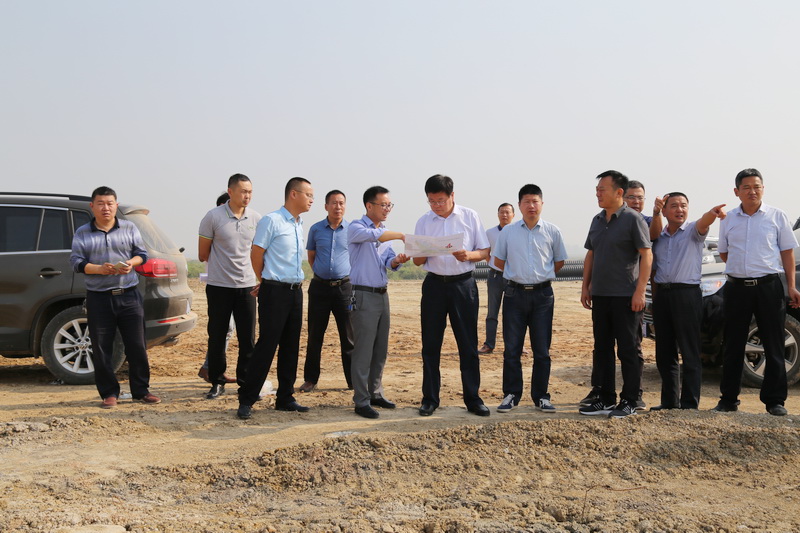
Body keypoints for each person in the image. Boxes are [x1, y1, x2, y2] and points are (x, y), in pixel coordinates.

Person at [713, 168, 800, 416]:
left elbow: (787, 252)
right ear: (737, 191)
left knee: (774, 344)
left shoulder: (777, 216)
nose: (752, 191)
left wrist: (791, 285)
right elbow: (724, 252)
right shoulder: (728, 218)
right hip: (737, 288)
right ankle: (728, 399)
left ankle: (775, 401)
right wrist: (742, 269)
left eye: (757, 186)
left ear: (763, 188)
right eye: (747, 187)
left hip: (768, 287)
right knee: (733, 343)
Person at [70, 186, 160, 408]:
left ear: (116, 206)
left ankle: (141, 390)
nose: (106, 208)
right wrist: (99, 269)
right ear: (92, 206)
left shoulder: (129, 227)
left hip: (129, 295)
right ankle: (109, 393)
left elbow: (142, 254)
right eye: (100, 203)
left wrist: (131, 263)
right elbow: (76, 262)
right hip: (99, 298)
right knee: (101, 348)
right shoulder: (83, 232)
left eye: (110, 203)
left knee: (137, 345)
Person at [236, 177, 314, 419]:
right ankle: (247, 399)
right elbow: (256, 253)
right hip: (275, 292)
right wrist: (265, 280)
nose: (312, 200)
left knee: (291, 346)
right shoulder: (272, 220)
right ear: (293, 194)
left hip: (295, 291)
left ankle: (285, 397)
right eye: (308, 195)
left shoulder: (298, 223)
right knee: (267, 345)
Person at [413, 174, 490, 417]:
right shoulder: (424, 221)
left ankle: (473, 398)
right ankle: (430, 399)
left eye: (441, 200)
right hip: (434, 285)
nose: (436, 205)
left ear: (452, 196)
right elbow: (417, 261)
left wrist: (469, 255)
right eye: (432, 201)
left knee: (467, 344)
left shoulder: (470, 216)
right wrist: (425, 251)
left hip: (463, 285)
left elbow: (485, 251)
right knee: (430, 344)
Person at [580, 179, 660, 410]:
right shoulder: (597, 220)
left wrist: (640, 292)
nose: (598, 194)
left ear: (618, 192)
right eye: (596, 190)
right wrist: (586, 286)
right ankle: (605, 398)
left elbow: (647, 255)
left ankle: (631, 399)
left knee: (628, 349)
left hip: (626, 296)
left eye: (602, 190)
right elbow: (591, 254)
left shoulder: (633, 219)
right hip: (601, 295)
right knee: (602, 348)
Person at [492, 185, 567, 413]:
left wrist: (540, 277)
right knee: (512, 349)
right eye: (526, 202)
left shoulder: (552, 231)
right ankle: (511, 394)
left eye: (535, 201)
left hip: (543, 296)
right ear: (519, 205)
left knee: (542, 350)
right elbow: (499, 261)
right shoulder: (508, 232)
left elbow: (559, 261)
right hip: (514, 294)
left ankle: (541, 396)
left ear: (542, 204)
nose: (531, 206)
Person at [650, 193, 726, 410]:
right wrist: (655, 299)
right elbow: (653, 270)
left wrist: (712, 213)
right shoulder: (658, 236)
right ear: (665, 211)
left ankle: (690, 404)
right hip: (662, 295)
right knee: (665, 352)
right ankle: (669, 402)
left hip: (687, 295)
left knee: (690, 350)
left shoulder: (693, 230)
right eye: (674, 206)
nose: (680, 210)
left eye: (683, 205)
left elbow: (704, 222)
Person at [347, 186, 410, 419]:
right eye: (383, 205)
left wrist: (397, 260)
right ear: (369, 205)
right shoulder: (356, 227)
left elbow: (388, 261)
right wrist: (401, 235)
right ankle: (361, 400)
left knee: (380, 349)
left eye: (389, 205)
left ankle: (375, 393)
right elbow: (374, 236)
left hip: (382, 294)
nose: (387, 209)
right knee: (363, 350)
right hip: (363, 294)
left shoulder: (383, 232)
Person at [198, 176, 261, 400]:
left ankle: (246, 383)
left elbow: (258, 252)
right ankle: (217, 381)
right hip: (219, 286)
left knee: (247, 338)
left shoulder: (256, 218)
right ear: (230, 191)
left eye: (250, 192)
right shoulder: (213, 217)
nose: (247, 196)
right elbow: (202, 253)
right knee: (217, 336)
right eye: (243, 191)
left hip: (247, 286)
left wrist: (260, 279)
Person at [299, 189, 354, 392]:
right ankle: (310, 379)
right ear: (326, 206)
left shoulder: (352, 229)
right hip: (319, 288)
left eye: (341, 203)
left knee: (348, 336)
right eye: (334, 203)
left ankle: (353, 380)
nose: (338, 207)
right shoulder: (315, 229)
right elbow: (311, 256)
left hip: (345, 289)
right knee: (315, 335)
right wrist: (323, 274)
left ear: (345, 206)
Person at [197, 192, 236, 384]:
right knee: (223, 329)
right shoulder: (213, 224)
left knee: (227, 329)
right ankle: (210, 368)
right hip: (218, 285)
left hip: (236, 284)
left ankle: (210, 367)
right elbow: (203, 255)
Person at [478, 203, 515, 355]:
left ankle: (515, 344)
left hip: (513, 278)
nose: (504, 215)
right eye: (502, 212)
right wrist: (492, 264)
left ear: (513, 215)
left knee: (513, 314)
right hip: (495, 276)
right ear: (498, 214)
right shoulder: (490, 233)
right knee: (492, 312)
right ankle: (489, 344)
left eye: (507, 212)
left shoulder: (518, 231)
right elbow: (486, 252)